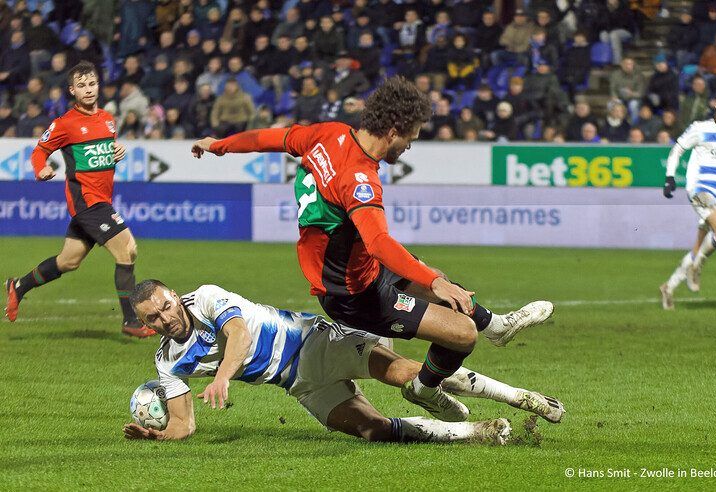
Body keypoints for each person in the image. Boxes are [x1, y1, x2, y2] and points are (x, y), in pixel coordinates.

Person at [191, 77, 554, 420]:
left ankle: (497, 327)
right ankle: (425, 390)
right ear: (394, 130)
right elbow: (379, 242)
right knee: (461, 334)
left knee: (437, 279)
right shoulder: (359, 179)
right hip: (352, 294)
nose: (410, 145)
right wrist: (435, 285)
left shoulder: (328, 135)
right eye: (410, 137)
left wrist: (218, 145)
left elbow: (271, 137)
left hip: (361, 267)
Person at [122, 280, 565, 442]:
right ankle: (475, 431)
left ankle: (522, 398)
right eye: (152, 318)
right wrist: (157, 436)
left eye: (165, 306)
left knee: (406, 374)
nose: (165, 317)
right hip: (302, 386)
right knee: (371, 431)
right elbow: (184, 425)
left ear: (173, 296)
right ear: (145, 323)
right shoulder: (168, 363)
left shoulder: (206, 297)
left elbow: (237, 334)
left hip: (318, 342)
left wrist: (221, 378)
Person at [3, 61, 154, 338]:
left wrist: (114, 152)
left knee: (69, 261)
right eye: (81, 85)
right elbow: (39, 152)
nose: (88, 90)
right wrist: (42, 169)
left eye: (92, 84)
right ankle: (131, 321)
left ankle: (19, 286)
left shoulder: (108, 119)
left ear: (98, 86)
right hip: (87, 202)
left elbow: (102, 153)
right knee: (128, 249)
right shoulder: (65, 124)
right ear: (72, 90)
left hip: (101, 200)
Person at [660, 88, 716, 309]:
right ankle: (696, 268)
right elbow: (677, 150)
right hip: (701, 190)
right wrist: (669, 177)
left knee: (698, 247)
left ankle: (669, 286)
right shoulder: (701, 128)